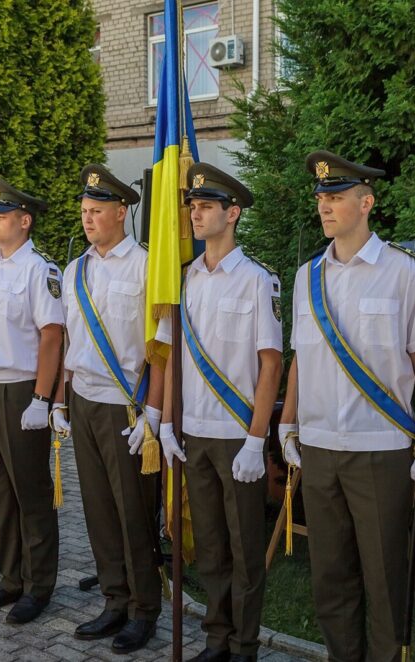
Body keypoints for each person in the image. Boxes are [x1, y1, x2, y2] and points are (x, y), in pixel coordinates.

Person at [277, 151, 415, 662]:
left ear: (366, 203)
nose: (324, 206)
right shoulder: (308, 276)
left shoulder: (406, 272)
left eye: (336, 197)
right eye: (321, 197)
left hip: (381, 448)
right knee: (330, 575)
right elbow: (302, 354)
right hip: (320, 447)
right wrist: (288, 422)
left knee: (386, 575)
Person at [154, 164, 283, 662]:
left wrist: (256, 440)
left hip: (236, 436)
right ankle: (216, 636)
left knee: (245, 549)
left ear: (232, 214)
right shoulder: (184, 280)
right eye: (192, 206)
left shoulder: (257, 281)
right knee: (208, 545)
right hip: (193, 432)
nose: (194, 213)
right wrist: (166, 422)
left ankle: (245, 644)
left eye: (205, 206)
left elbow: (270, 365)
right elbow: (171, 356)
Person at [52, 164, 164, 653]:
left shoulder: (146, 266)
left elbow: (161, 348)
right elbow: (67, 342)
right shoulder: (75, 269)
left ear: (122, 212)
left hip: (126, 407)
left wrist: (154, 412)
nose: (88, 219)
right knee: (97, 509)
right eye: (83, 211)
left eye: (96, 210)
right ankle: (114, 599)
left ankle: (144, 609)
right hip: (84, 401)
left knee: (133, 512)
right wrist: (58, 400)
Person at [0, 177, 63, 624]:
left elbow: (52, 334)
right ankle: (10, 579)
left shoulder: (39, 269)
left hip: (21, 391)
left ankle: (38, 586)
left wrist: (42, 397)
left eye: (1, 215)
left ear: (25, 221)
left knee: (30, 494)